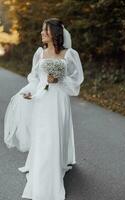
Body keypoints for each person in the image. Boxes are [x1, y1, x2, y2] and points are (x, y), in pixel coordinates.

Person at [4, 17, 84, 200]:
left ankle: (57, 165)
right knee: (44, 136)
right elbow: (34, 77)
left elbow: (76, 79)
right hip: (42, 99)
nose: (41, 33)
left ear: (54, 33)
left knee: (56, 134)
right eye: (41, 30)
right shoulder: (39, 53)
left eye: (44, 30)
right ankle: (43, 173)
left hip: (59, 100)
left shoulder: (69, 54)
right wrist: (30, 92)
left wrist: (59, 79)